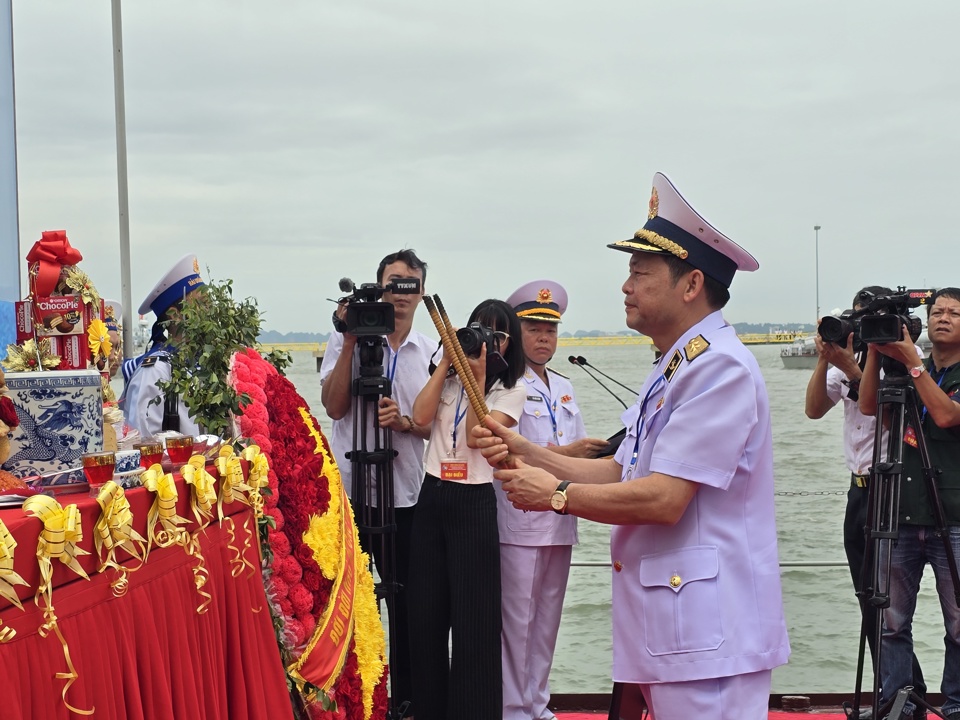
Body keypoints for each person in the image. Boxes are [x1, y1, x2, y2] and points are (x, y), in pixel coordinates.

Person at [472, 172, 791, 720]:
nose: (625, 287)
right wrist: (524, 449)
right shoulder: (675, 366)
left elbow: (664, 498)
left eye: (639, 273)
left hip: (707, 635)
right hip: (678, 627)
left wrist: (555, 494)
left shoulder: (719, 370)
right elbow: (623, 469)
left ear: (690, 285)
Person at [318, 248, 433, 717]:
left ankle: (407, 701)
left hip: (406, 497)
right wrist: (349, 341)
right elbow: (334, 406)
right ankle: (357, 703)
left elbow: (441, 429)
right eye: (392, 282)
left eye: (409, 284)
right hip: (351, 495)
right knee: (352, 610)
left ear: (421, 293)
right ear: (378, 287)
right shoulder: (343, 339)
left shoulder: (430, 352)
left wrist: (405, 422)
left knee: (407, 609)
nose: (399, 293)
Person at [805, 287, 927, 718]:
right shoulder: (847, 362)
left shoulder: (903, 365)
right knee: (865, 595)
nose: (860, 328)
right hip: (857, 489)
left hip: (890, 486)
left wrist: (856, 367)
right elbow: (813, 410)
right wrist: (827, 359)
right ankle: (895, 692)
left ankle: (904, 694)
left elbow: (886, 412)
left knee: (886, 600)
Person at [407, 298, 527, 720]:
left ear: (510, 344)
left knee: (475, 623)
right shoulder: (449, 379)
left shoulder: (512, 389)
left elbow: (480, 437)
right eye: (479, 332)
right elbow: (420, 419)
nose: (487, 343)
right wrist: (447, 361)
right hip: (432, 494)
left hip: (474, 502)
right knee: (425, 616)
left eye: (497, 336)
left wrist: (477, 376)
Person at [498, 279, 607, 720]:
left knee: (546, 622)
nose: (545, 339)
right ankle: (511, 708)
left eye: (551, 330)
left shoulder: (562, 386)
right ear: (516, 333)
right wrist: (570, 455)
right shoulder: (507, 386)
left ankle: (537, 705)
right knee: (516, 624)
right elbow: (507, 451)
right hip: (519, 516)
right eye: (534, 329)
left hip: (561, 512)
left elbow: (577, 450)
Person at [859, 287, 960, 720]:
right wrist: (879, 355)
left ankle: (956, 703)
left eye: (955, 313)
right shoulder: (907, 369)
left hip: (954, 516)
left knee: (959, 625)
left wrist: (913, 363)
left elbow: (946, 416)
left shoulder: (930, 371)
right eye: (937, 311)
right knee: (892, 622)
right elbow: (869, 408)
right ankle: (897, 702)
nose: (943, 318)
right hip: (901, 511)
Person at [121, 254, 205, 437]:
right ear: (175, 315)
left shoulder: (202, 364)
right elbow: (142, 441)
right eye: (202, 305)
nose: (210, 313)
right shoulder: (156, 370)